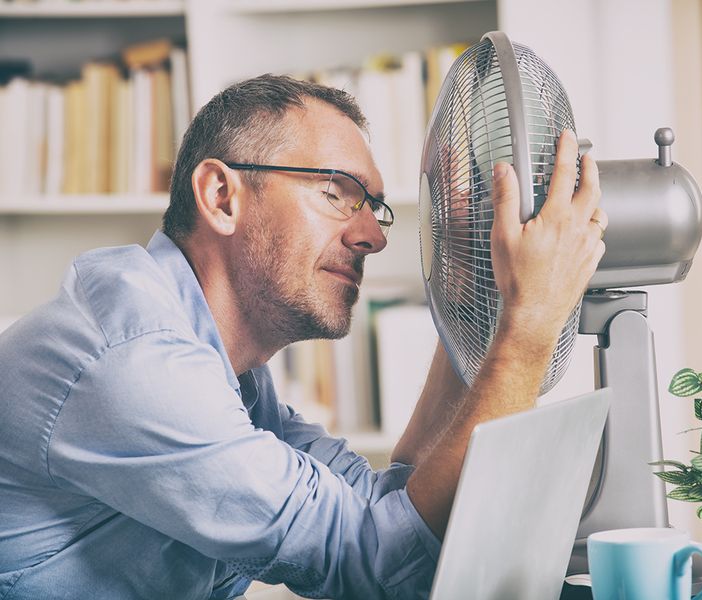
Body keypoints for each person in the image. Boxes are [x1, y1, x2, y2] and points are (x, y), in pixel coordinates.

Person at [0, 74, 606, 599]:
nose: (373, 235)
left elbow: (389, 510)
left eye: (374, 206)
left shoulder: (231, 376)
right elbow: (380, 564)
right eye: (336, 194)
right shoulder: (137, 363)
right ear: (221, 196)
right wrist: (526, 325)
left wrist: (472, 295)